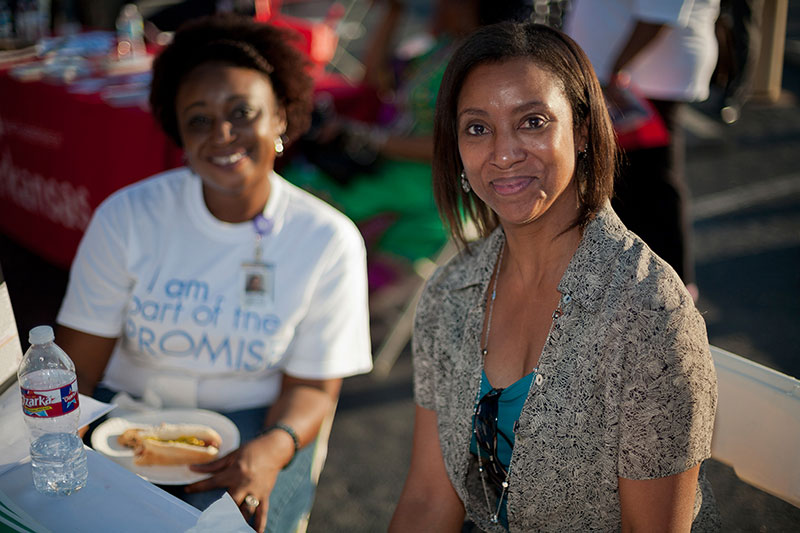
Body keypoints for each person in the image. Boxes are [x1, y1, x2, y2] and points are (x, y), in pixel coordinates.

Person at [390, 22, 719, 531]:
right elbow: (429, 499)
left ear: (584, 130)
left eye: (533, 121)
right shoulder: (450, 292)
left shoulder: (648, 314)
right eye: (477, 128)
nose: (503, 154)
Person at [55, 14, 372, 533]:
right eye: (199, 119)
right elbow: (77, 369)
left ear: (282, 120)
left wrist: (275, 447)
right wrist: (66, 453)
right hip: (123, 421)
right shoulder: (128, 216)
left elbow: (313, 388)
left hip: (254, 429)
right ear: (178, 131)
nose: (222, 133)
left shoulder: (327, 239)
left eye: (242, 112)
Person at [282, 0, 533, 280]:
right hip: (392, 165)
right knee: (292, 188)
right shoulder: (442, 49)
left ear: (468, 7)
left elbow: (454, 146)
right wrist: (393, 12)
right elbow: (374, 81)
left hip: (428, 182)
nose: (435, 6)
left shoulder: (484, 67)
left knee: (306, 208)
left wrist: (370, 138)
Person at [565, 0, 720, 303]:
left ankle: (673, 293)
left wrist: (615, 70)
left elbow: (660, 12)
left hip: (643, 80)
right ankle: (634, 284)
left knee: (652, 185)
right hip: (625, 76)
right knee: (623, 183)